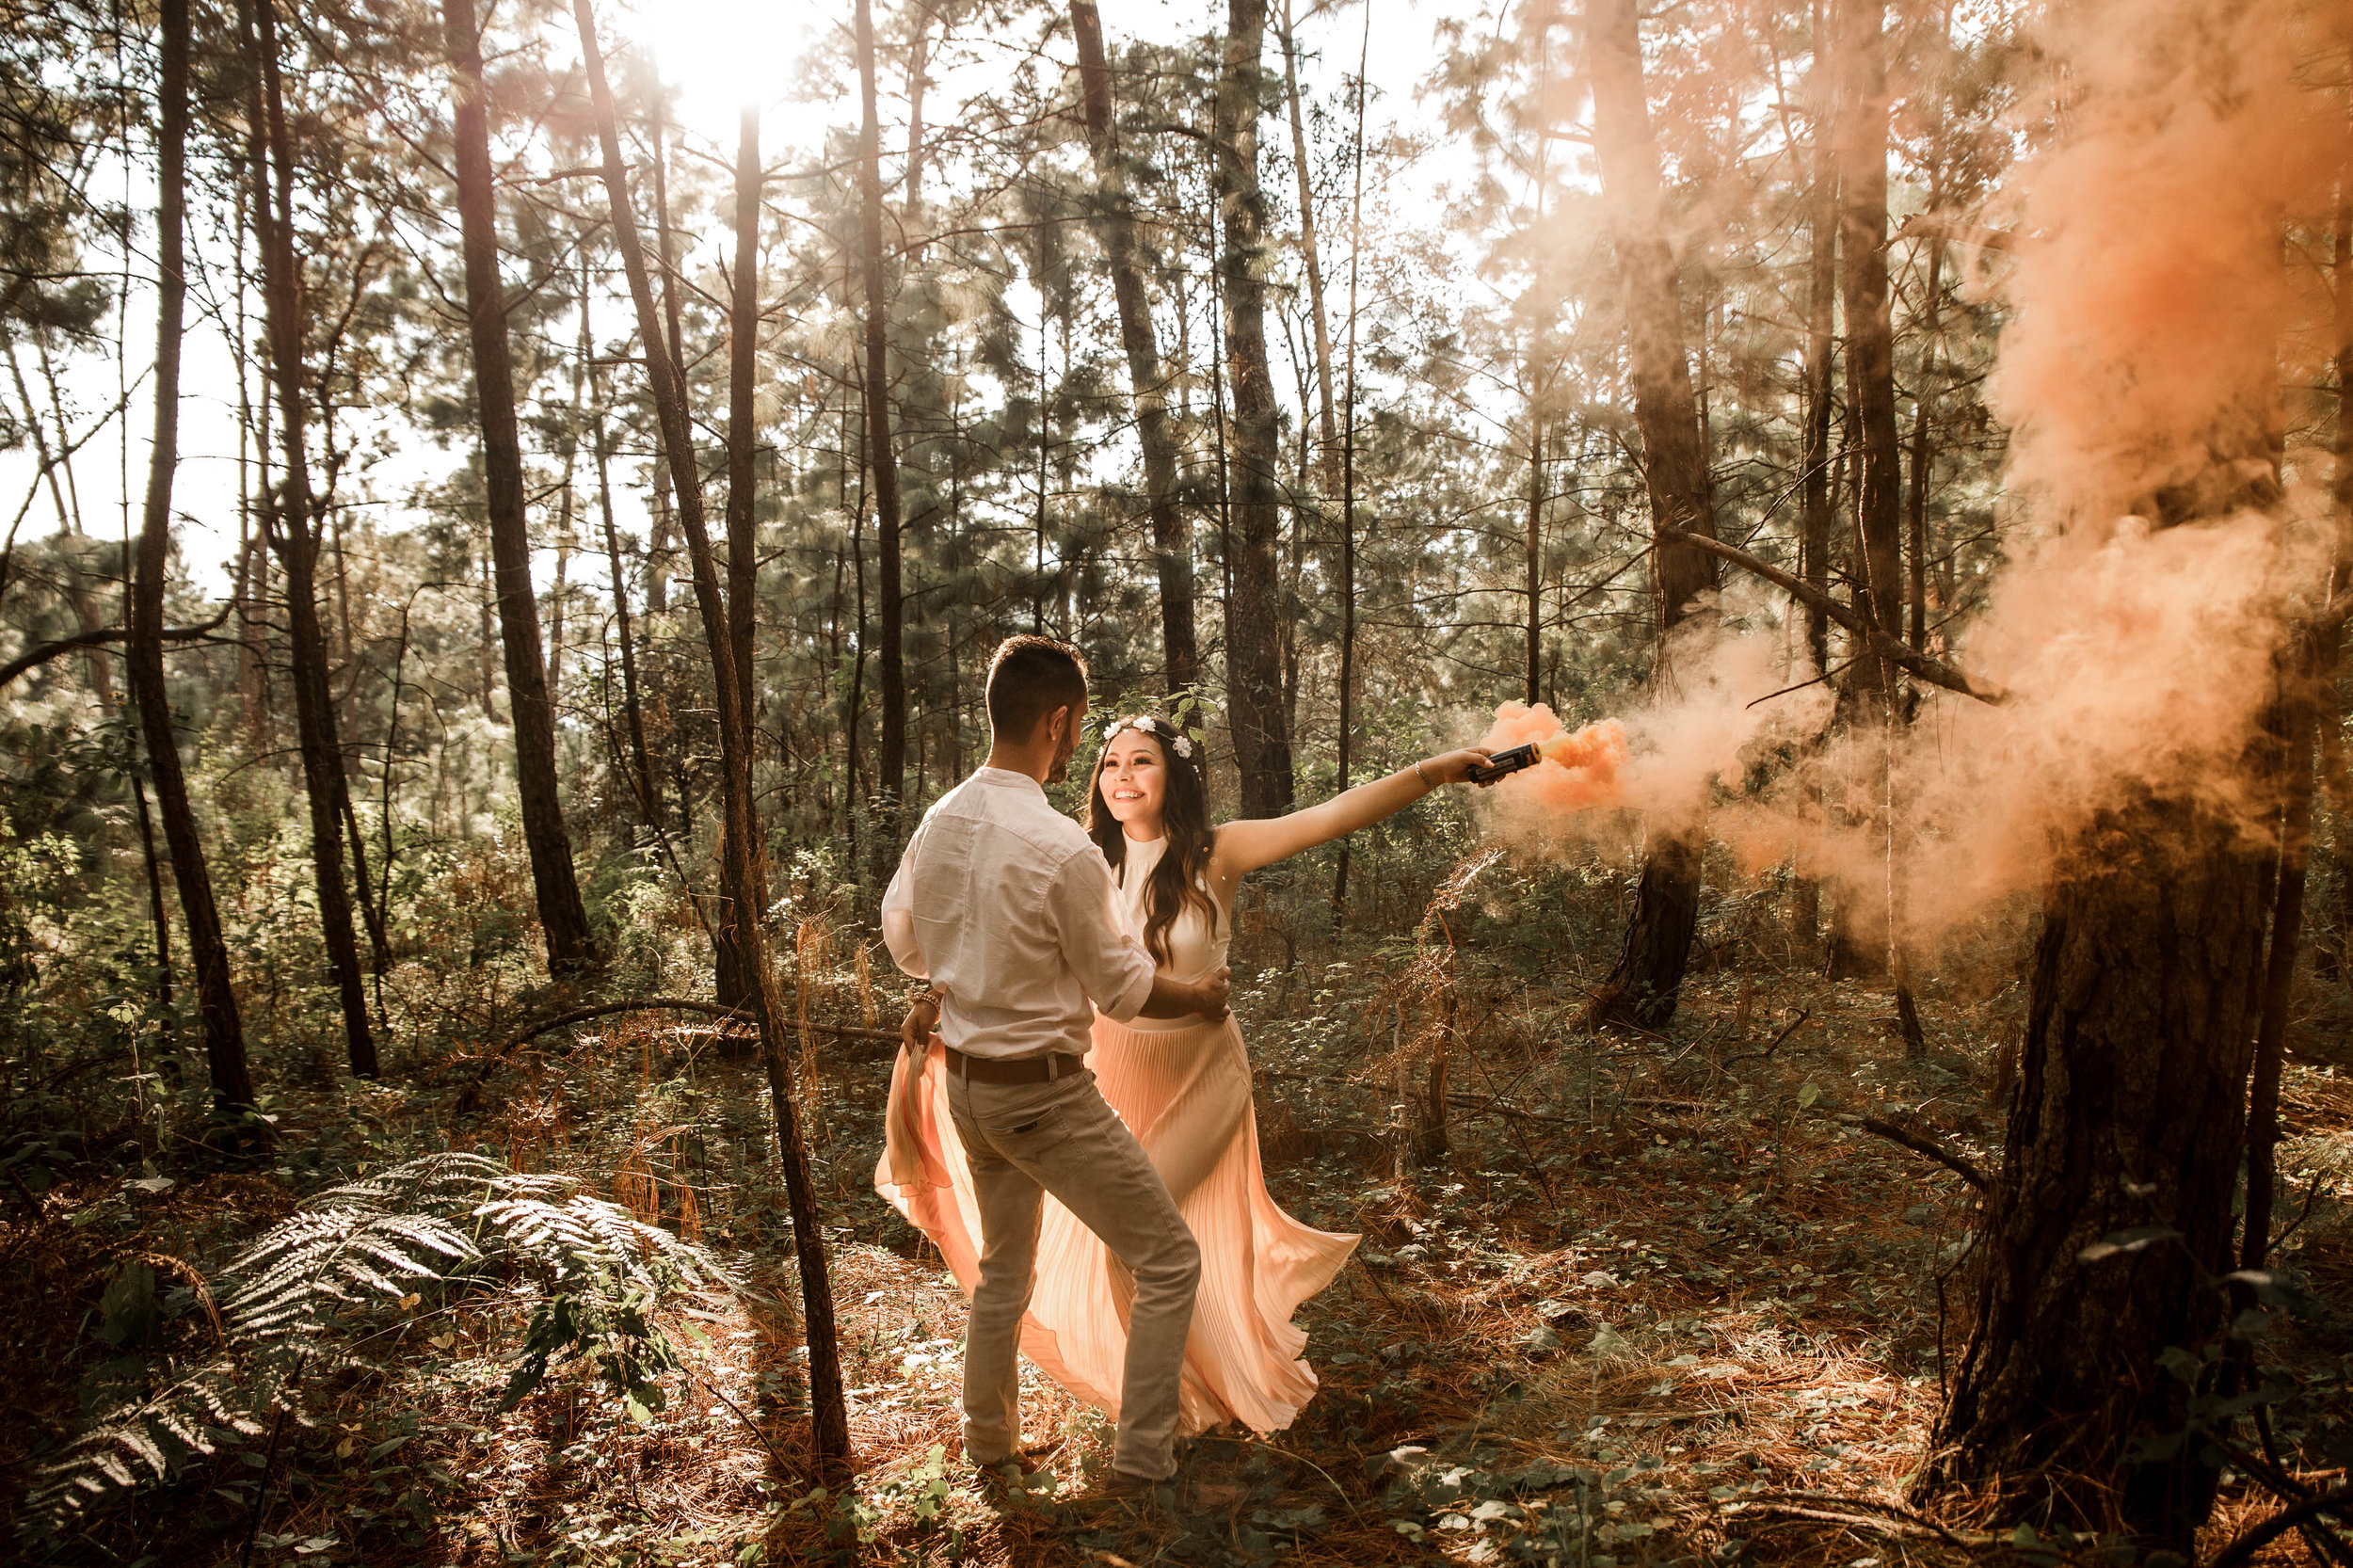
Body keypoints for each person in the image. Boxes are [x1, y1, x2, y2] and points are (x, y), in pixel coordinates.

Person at [881, 703, 1492, 1440]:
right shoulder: (1075, 853)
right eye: (1110, 762)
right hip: (1105, 1073)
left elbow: (1331, 817)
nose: (1122, 776)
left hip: (1200, 1072)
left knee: (1136, 1245)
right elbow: (998, 927)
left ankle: (1157, 1427)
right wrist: (937, 992)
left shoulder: (1216, 853)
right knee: (1126, 1249)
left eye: (1142, 761)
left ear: (1175, 776)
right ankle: (1167, 1404)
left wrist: (1437, 771)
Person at [877, 637, 1233, 1489]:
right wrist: (1201, 999)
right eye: (1078, 732)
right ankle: (1146, 1462)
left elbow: (904, 945)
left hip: (967, 1087)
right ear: (1060, 721)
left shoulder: (942, 820)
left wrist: (971, 968)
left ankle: (987, 1444)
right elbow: (1119, 991)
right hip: (1044, 1098)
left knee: (1005, 1268)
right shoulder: (1061, 847)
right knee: (1169, 1259)